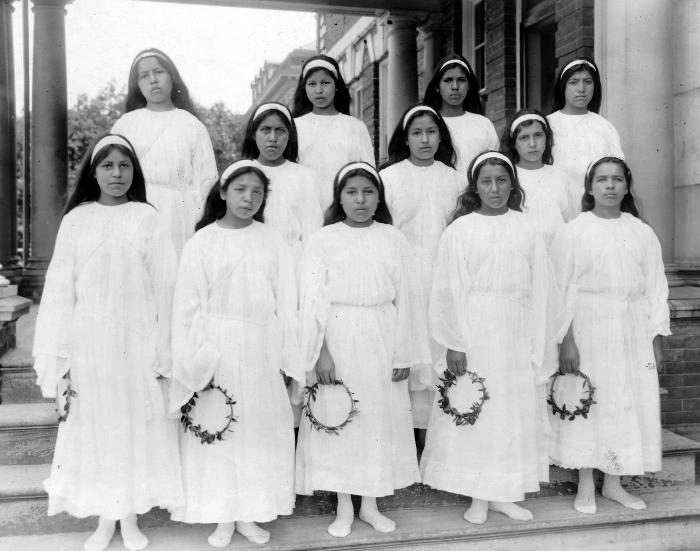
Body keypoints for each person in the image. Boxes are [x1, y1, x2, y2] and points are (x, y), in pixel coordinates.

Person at [32, 134, 183, 551]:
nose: (116, 174)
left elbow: (166, 287)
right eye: (107, 166)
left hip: (137, 339)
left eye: (124, 166)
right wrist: (60, 353)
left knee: (133, 425)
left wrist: (163, 348)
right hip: (90, 340)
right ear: (93, 172)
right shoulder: (77, 219)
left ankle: (130, 515)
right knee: (99, 426)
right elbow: (61, 288)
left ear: (134, 172)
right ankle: (103, 517)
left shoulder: (148, 218)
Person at [168, 160, 304, 547]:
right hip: (217, 347)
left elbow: (286, 301)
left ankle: (249, 513)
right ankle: (222, 514)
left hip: (261, 344)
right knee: (220, 425)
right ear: (224, 192)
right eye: (241, 189)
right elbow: (187, 306)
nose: (248, 198)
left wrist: (285, 357)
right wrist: (198, 358)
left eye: (257, 192)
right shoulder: (202, 242)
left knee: (256, 430)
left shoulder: (272, 240)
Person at [295, 162, 431, 538]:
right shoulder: (323, 240)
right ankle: (342, 504)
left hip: (383, 334)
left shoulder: (393, 238)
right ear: (339, 197)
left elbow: (409, 299)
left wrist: (403, 353)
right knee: (342, 414)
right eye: (352, 192)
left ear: (378, 198)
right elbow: (310, 299)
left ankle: (370, 504)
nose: (360, 199)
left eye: (368, 192)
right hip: (338, 335)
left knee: (377, 419)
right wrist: (321, 351)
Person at [420, 152, 549, 525]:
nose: (495, 189)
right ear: (475, 188)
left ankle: (504, 493)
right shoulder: (460, 231)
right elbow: (446, 290)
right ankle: (478, 494)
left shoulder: (529, 229)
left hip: (516, 328)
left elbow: (542, 288)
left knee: (510, 410)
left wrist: (537, 341)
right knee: (478, 406)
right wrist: (454, 341)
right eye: (487, 182)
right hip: (475, 329)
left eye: (502, 181)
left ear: (513, 185)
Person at [549, 156, 670, 515]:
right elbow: (559, 289)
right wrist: (566, 339)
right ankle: (585, 482)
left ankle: (614, 483)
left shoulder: (641, 232)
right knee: (590, 399)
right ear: (589, 187)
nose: (610, 186)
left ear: (626, 186)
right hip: (588, 324)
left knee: (624, 401)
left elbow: (655, 288)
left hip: (632, 327)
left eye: (617, 179)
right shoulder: (574, 231)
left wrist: (656, 338)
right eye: (602, 180)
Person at [379, 105, 462, 441]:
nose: (425, 139)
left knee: (438, 349)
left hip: (444, 275)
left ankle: (438, 436)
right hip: (403, 275)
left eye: (431, 131)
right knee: (407, 349)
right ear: (405, 137)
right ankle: (406, 436)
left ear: (440, 135)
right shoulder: (389, 177)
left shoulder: (455, 178)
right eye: (416, 132)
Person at [112, 48, 218, 256]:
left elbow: (207, 182)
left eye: (158, 72)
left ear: (171, 76)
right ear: (137, 85)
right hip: (135, 212)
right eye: (144, 76)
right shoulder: (126, 125)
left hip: (180, 217)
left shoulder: (191, 125)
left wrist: (199, 224)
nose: (153, 80)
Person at [241, 101, 323, 269]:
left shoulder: (305, 177)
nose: (273, 138)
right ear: (253, 134)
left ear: (290, 135)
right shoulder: (242, 174)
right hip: (251, 262)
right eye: (265, 130)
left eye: (280, 131)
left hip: (293, 264)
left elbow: (312, 233)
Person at [292, 54, 375, 211]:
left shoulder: (355, 127)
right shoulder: (295, 126)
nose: (318, 90)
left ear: (336, 86)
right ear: (304, 88)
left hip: (346, 207)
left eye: (325, 83)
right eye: (312, 84)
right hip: (306, 205)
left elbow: (368, 174)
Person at [547, 57, 624, 215]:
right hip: (557, 205)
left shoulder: (604, 127)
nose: (581, 88)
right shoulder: (549, 125)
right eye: (574, 82)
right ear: (563, 87)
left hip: (595, 207)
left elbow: (617, 171)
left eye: (588, 82)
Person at [501, 108, 571, 250]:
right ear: (514, 143)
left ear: (547, 137)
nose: (532, 144)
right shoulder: (507, 178)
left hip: (557, 254)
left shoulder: (561, 178)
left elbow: (571, 221)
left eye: (538, 135)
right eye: (524, 137)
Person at [422, 54, 499, 176]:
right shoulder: (428, 124)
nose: (455, 87)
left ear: (469, 85)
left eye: (461, 80)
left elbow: (494, 167)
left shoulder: (483, 124)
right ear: (437, 86)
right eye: (448, 80)